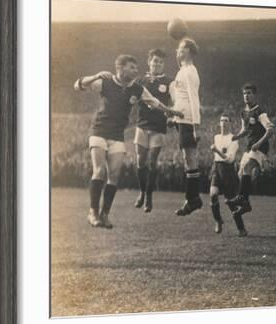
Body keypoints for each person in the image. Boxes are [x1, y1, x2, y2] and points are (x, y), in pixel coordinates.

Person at [74, 54, 182, 228]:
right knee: (100, 171)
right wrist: (96, 75)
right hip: (99, 132)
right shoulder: (106, 82)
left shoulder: (137, 89)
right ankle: (93, 212)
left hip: (117, 135)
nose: (136, 70)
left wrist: (171, 111)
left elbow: (155, 103)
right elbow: (78, 85)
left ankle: (105, 214)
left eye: (136, 68)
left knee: (114, 176)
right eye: (132, 67)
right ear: (121, 68)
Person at [133, 49, 173, 213]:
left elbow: (174, 101)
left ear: (163, 65)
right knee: (140, 161)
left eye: (160, 62)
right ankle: (142, 192)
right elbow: (133, 98)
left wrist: (172, 115)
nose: (157, 64)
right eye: (155, 61)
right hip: (142, 125)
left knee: (151, 161)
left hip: (158, 127)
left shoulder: (169, 81)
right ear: (149, 62)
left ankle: (149, 196)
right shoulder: (140, 80)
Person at [226, 83, 275, 216]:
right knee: (241, 173)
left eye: (249, 93)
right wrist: (236, 136)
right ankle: (246, 204)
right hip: (250, 146)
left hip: (260, 147)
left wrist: (258, 144)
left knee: (247, 167)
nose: (246, 96)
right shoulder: (243, 113)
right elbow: (245, 130)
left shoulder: (260, 112)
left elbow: (270, 130)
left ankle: (241, 198)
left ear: (254, 95)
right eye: (244, 93)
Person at [169, 38, 203, 216]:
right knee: (186, 158)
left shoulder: (190, 72)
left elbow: (193, 98)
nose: (178, 51)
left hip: (189, 120)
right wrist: (174, 116)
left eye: (181, 49)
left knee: (189, 158)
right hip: (181, 119)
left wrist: (196, 126)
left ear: (189, 51)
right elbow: (180, 99)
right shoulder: (182, 70)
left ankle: (193, 199)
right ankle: (193, 199)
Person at [209, 114, 248, 236]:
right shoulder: (216, 137)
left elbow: (230, 159)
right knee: (213, 194)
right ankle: (218, 221)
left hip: (228, 171)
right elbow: (217, 157)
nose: (223, 122)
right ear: (219, 123)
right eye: (221, 120)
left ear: (230, 123)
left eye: (226, 120)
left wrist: (217, 151)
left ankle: (241, 228)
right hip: (217, 168)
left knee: (231, 202)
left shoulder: (233, 139)